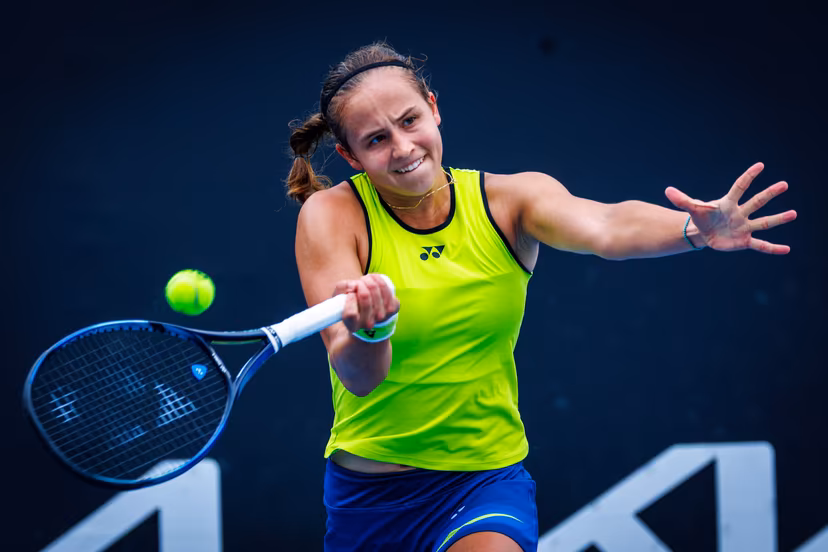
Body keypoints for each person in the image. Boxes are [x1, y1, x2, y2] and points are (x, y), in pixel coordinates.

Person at [285, 41, 796, 552]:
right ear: (350, 155)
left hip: (482, 481)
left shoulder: (511, 200)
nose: (402, 147)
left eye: (410, 120)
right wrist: (373, 331)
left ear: (435, 108)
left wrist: (691, 229)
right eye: (376, 139)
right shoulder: (330, 217)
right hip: (368, 497)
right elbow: (359, 376)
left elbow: (606, 225)